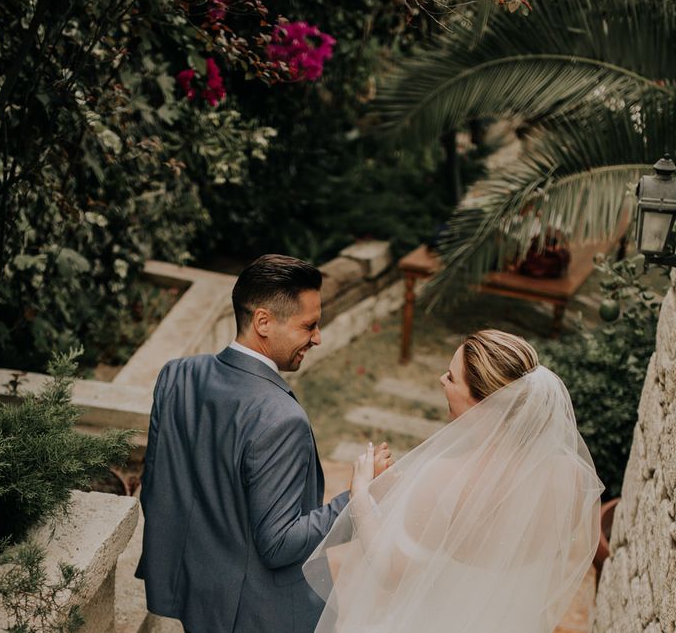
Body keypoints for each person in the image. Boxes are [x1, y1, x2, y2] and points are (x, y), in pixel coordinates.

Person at [135, 254, 392, 633]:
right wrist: (358, 498)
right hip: (254, 614)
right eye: (309, 326)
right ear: (263, 322)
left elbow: (157, 487)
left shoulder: (177, 375)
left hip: (191, 593)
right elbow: (278, 545)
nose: (318, 338)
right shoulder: (280, 418)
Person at [304, 330, 603, 633]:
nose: (441, 381)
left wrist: (361, 496)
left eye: (450, 377)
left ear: (484, 403)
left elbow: (391, 570)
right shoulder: (575, 477)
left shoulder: (444, 479)